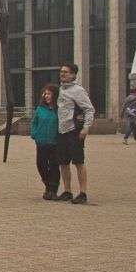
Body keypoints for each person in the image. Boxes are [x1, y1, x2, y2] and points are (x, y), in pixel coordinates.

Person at [56, 62, 95, 205]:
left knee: (78, 161)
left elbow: (89, 109)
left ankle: (83, 192)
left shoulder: (78, 90)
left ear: (73, 74)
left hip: (74, 130)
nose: (62, 74)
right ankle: (67, 191)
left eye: (65, 72)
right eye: (61, 71)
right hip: (61, 130)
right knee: (63, 162)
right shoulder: (61, 89)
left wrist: (86, 128)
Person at [30, 83, 61, 200]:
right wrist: (34, 134)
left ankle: (53, 190)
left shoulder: (59, 109)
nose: (47, 96)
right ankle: (48, 186)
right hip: (41, 141)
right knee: (41, 165)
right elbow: (34, 123)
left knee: (54, 166)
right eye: (46, 94)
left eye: (49, 94)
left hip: (54, 142)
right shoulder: (40, 109)